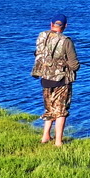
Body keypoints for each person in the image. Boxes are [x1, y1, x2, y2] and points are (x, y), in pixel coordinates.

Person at [31, 13, 80, 146]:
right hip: (61, 80)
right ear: (65, 26)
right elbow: (74, 65)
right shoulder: (66, 41)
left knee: (49, 108)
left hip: (45, 78)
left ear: (51, 24)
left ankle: (45, 136)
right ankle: (58, 142)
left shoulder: (42, 36)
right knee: (61, 111)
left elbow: (39, 53)